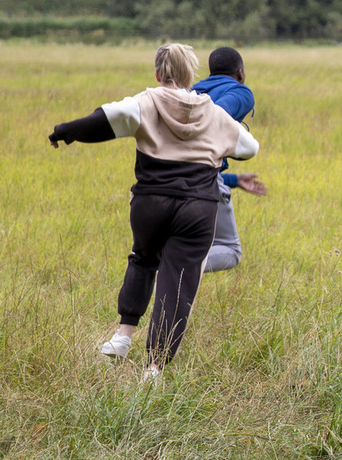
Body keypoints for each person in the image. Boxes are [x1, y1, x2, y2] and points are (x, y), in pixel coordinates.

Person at [48, 44, 259, 380]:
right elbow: (249, 148)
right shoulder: (215, 114)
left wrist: (64, 132)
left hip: (150, 203)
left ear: (158, 74)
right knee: (178, 284)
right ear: (192, 75)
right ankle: (155, 369)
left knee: (144, 259)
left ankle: (122, 336)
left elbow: (103, 119)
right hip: (198, 207)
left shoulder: (145, 102)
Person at [191, 47, 266, 274]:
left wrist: (233, 179)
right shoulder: (241, 92)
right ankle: (177, 265)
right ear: (240, 73)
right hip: (204, 180)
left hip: (172, 175)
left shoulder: (191, 91)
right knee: (230, 250)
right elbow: (217, 115)